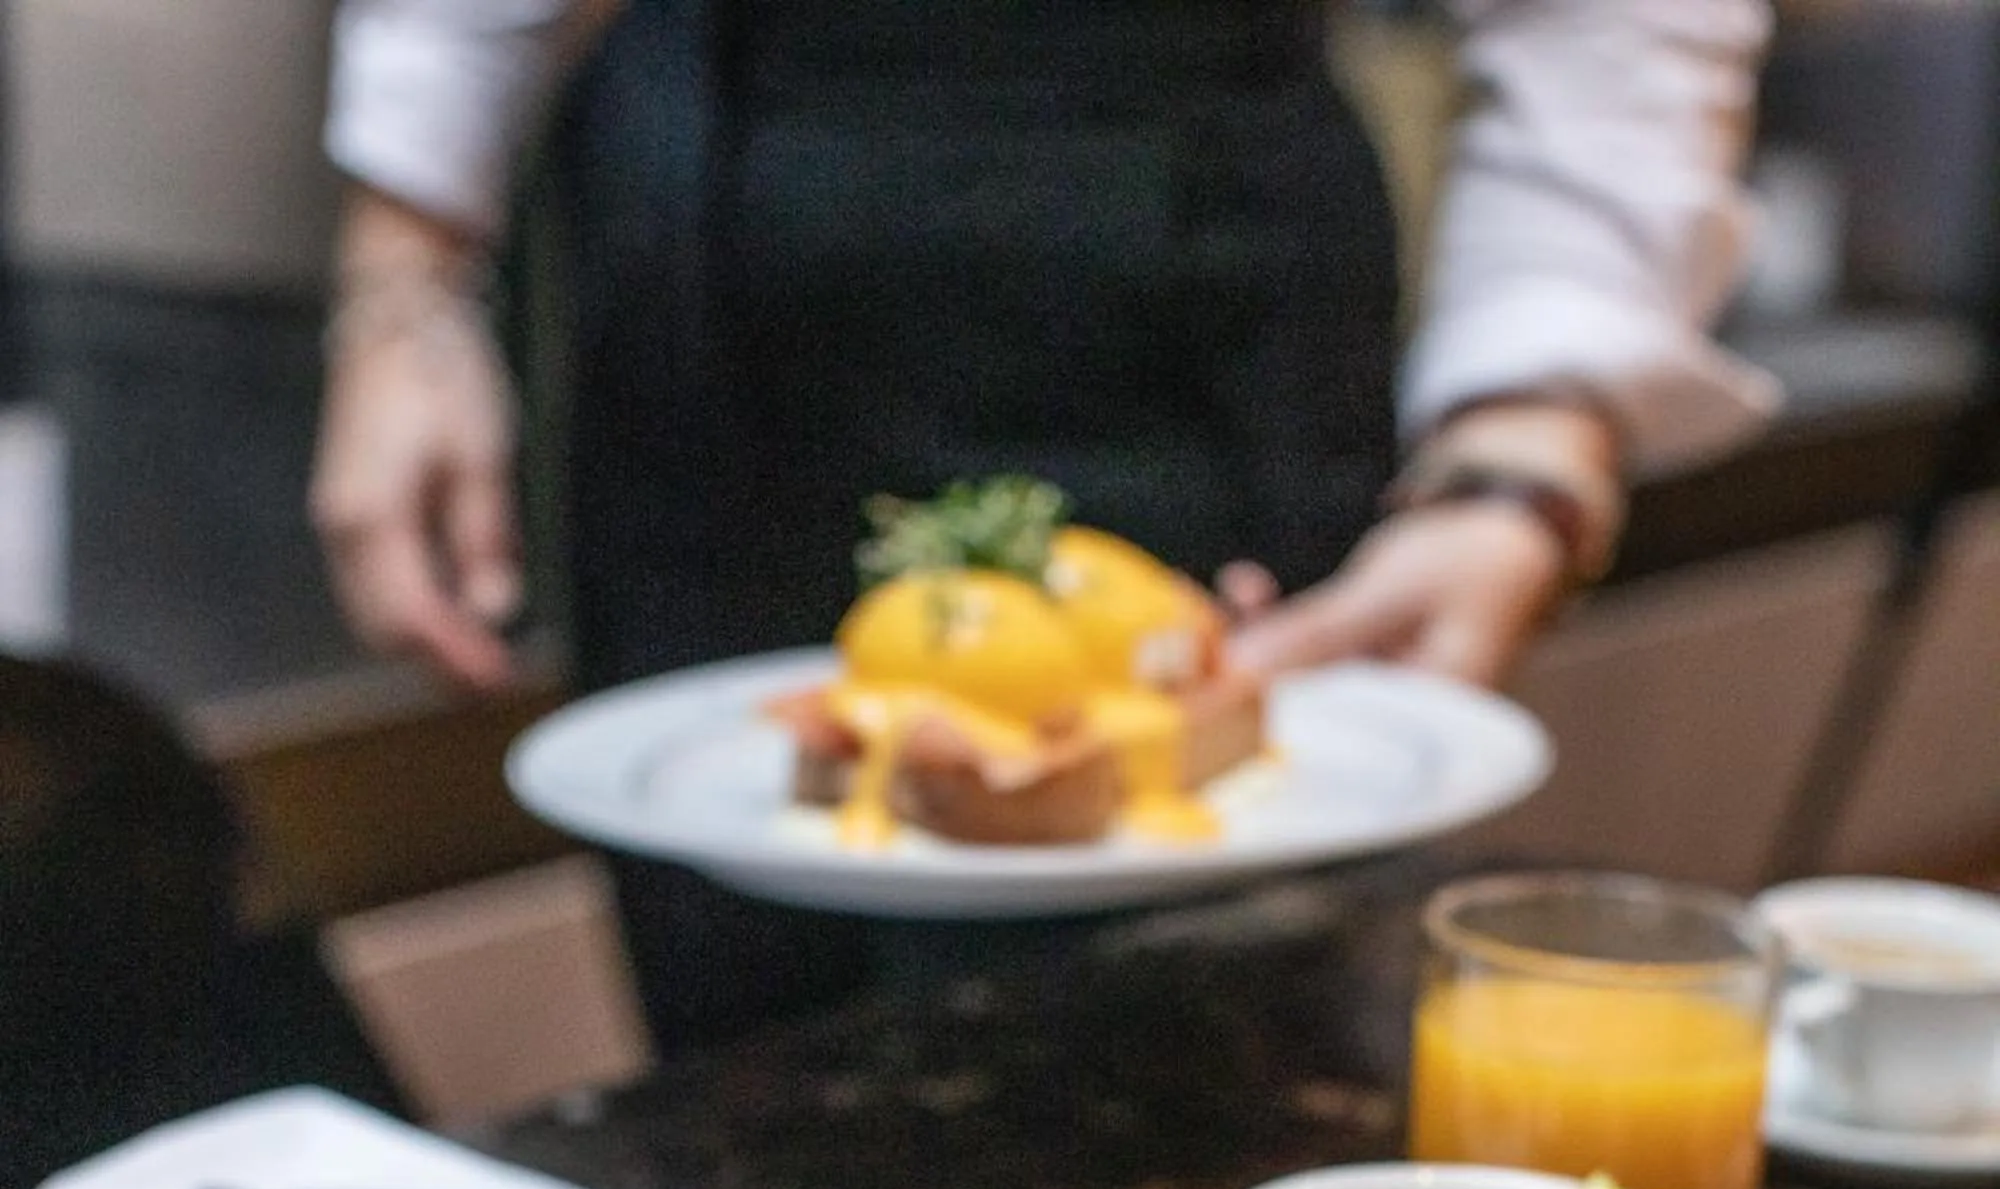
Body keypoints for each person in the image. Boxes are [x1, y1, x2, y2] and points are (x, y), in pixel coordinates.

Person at [308, 0, 1776, 1032]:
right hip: (710, 238)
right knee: (745, 1068)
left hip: (1182, 240)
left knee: (1177, 1063)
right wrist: (405, 276)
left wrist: (1530, 436)